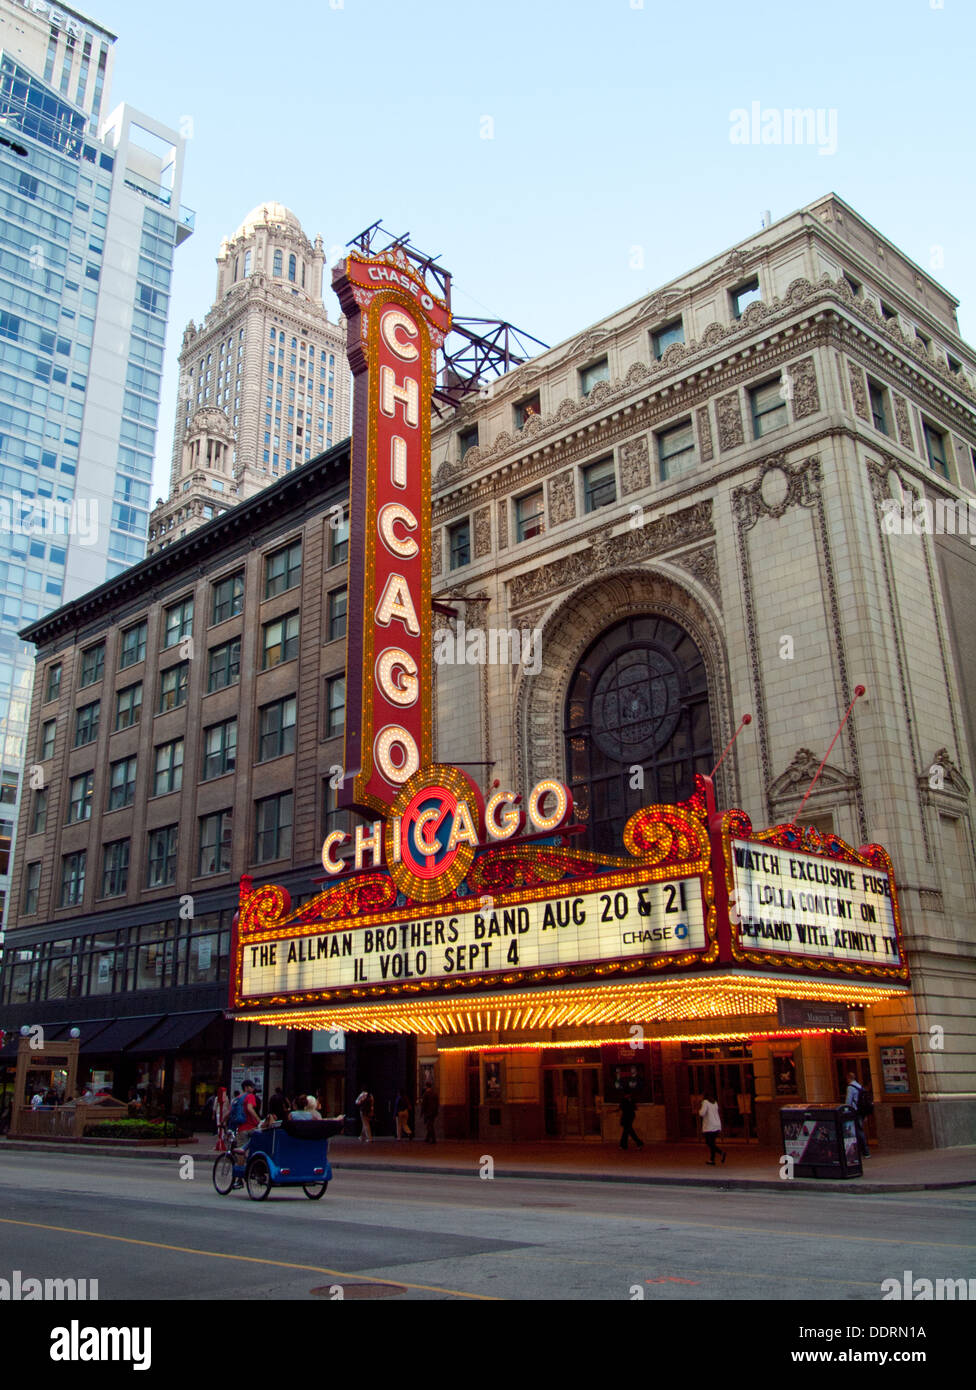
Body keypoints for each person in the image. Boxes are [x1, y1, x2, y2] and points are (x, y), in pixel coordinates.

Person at [845, 1072, 870, 1157]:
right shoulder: (859, 1086)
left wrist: (846, 1110)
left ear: (848, 1078)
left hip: (855, 1111)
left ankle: (864, 1151)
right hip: (861, 1111)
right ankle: (863, 1150)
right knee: (859, 1129)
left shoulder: (850, 1087)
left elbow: (848, 1100)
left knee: (858, 1131)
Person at [699, 1091, 726, 1165]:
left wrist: (699, 1111)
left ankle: (721, 1152)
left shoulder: (705, 1102)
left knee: (709, 1143)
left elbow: (702, 1113)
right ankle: (712, 1159)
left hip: (709, 1125)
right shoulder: (715, 1102)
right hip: (716, 1124)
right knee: (712, 1142)